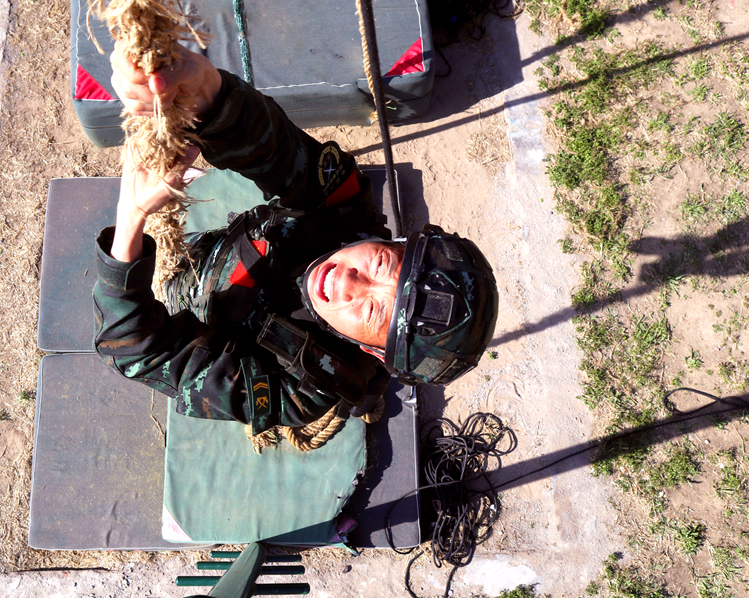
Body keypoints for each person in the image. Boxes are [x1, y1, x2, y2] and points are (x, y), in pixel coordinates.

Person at [93, 43, 499, 437]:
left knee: (353, 388)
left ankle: (368, 385)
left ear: (372, 350)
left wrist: (131, 217)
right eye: (380, 264)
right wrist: (205, 95)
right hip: (206, 259)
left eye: (373, 311)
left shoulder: (302, 391)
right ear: (396, 244)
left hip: (194, 317)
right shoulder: (346, 209)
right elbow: (275, 148)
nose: (348, 282)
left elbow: (136, 352)